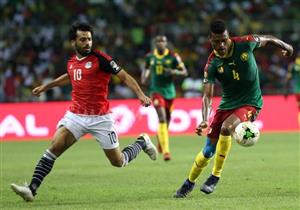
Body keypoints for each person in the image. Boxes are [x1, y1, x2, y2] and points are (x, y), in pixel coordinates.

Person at [11, 22, 158, 202]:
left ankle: (142, 142)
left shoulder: (102, 59)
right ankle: (31, 189)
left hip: (100, 118)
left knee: (118, 162)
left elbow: (124, 76)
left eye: (89, 39)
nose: (87, 42)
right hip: (76, 116)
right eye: (83, 39)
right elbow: (70, 75)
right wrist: (46, 86)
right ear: (74, 42)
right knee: (53, 149)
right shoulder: (72, 62)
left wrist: (141, 94)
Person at [174, 19, 293, 198]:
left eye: (224, 39)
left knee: (227, 128)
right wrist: (205, 119)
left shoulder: (245, 44)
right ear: (210, 40)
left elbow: (267, 38)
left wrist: (285, 46)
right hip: (227, 103)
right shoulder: (212, 64)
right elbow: (207, 95)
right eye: (217, 41)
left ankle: (215, 177)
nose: (221, 44)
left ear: (228, 36)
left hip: (250, 102)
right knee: (207, 151)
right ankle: (189, 182)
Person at [141, 35, 188, 161]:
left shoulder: (173, 56)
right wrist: (144, 77)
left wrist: (174, 72)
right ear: (155, 44)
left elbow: (184, 71)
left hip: (170, 93)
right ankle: (167, 152)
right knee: (162, 118)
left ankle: (160, 140)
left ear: (166, 43)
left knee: (167, 120)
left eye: (163, 41)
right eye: (159, 42)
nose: (161, 43)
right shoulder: (150, 56)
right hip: (156, 91)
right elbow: (145, 68)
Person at [285, 52, 300, 125]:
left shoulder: (292, 65)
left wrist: (286, 90)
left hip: (297, 90)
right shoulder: (292, 65)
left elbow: (288, 78)